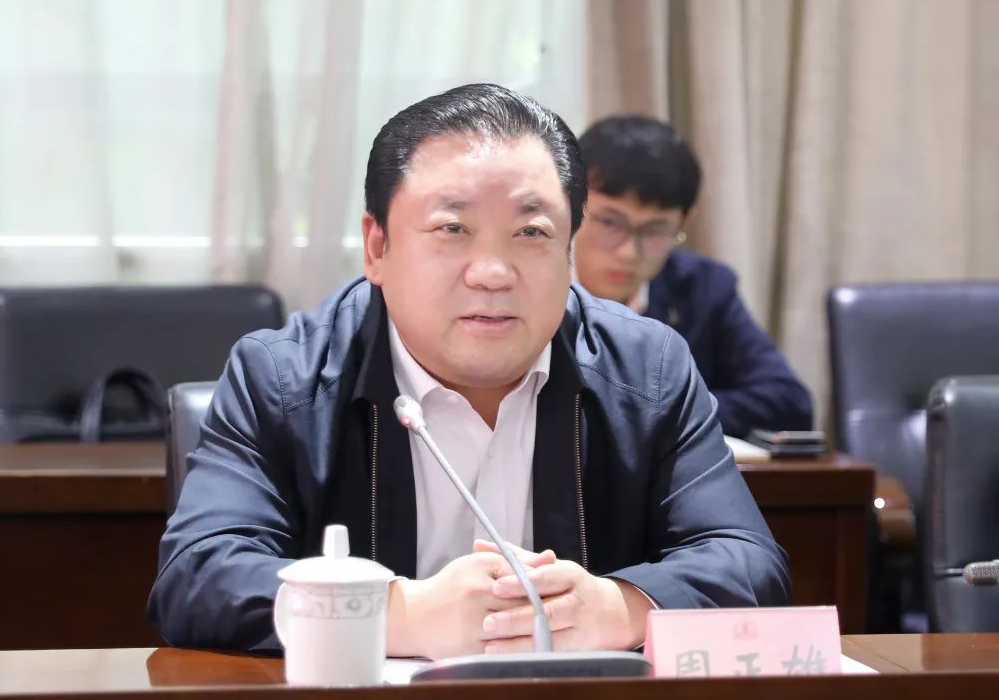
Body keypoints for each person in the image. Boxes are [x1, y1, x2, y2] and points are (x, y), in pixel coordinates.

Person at [148, 84, 790, 658]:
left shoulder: (648, 369)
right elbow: (198, 576)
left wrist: (619, 606)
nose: (492, 273)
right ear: (378, 246)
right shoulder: (283, 376)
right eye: (452, 228)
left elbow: (749, 562)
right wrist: (399, 615)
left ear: (568, 249)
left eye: (531, 233)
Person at [572, 115, 813, 439]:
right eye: (610, 222)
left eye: (655, 230)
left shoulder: (703, 287)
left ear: (683, 224)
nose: (629, 252)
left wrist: (655, 414)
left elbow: (790, 403)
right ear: (571, 203)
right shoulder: (534, 283)